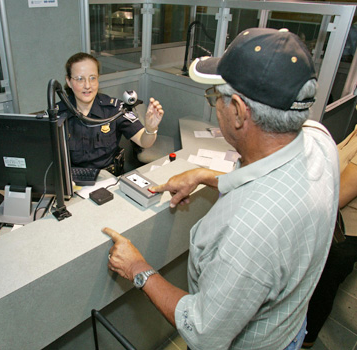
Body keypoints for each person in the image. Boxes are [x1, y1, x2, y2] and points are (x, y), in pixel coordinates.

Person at [103, 28, 339, 350]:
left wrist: (138, 269)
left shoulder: (249, 231)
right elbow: (265, 176)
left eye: (215, 97)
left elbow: (203, 331)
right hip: (290, 327)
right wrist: (205, 175)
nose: (215, 105)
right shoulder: (318, 138)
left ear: (240, 111)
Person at [57, 52, 164, 175]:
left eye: (92, 78)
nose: (87, 85)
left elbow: (144, 141)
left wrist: (151, 129)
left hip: (108, 178)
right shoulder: (58, 113)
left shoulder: (114, 109)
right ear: (69, 82)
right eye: (80, 79)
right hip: (73, 181)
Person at [302, 126, 357, 349]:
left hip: (343, 236)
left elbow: (339, 195)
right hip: (331, 225)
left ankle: (305, 341)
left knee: (319, 294)